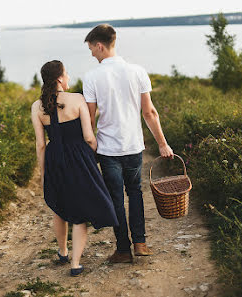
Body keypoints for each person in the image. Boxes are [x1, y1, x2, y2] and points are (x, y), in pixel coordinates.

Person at [82, 24, 174, 263]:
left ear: (100, 46)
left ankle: (123, 249)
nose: (92, 53)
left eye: (92, 48)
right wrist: (162, 144)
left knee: (116, 197)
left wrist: (89, 146)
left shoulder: (92, 77)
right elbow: (150, 112)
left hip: (108, 149)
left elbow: (90, 119)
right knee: (135, 193)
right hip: (133, 145)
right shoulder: (138, 71)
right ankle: (140, 243)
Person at [31, 60, 118, 276]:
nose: (68, 77)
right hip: (78, 158)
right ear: (60, 78)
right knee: (79, 213)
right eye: (66, 73)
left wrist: (43, 172)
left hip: (54, 158)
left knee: (59, 208)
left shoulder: (37, 106)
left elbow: (40, 144)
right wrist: (96, 154)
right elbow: (89, 137)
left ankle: (62, 252)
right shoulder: (77, 99)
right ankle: (75, 264)